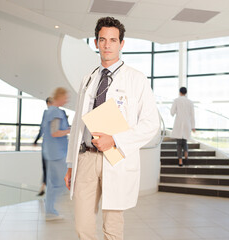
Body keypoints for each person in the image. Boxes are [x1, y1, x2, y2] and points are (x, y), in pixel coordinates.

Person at [64, 17, 160, 240]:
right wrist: (71, 164)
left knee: (112, 228)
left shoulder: (136, 79)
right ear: (96, 43)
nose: (107, 45)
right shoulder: (88, 78)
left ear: (121, 44)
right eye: (102, 39)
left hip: (115, 158)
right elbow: (78, 122)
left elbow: (151, 124)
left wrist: (115, 139)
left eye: (113, 40)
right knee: (82, 226)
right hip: (86, 159)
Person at [43, 87, 70, 221]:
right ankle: (50, 209)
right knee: (61, 183)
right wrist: (70, 130)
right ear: (59, 97)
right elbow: (55, 132)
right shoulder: (55, 112)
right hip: (57, 153)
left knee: (53, 182)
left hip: (51, 152)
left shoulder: (49, 112)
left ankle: (49, 208)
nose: (67, 100)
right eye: (65, 97)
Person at [170, 87, 195, 167]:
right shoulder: (190, 102)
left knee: (179, 144)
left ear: (179, 92)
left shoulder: (176, 100)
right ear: (186, 93)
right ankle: (186, 158)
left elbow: (172, 112)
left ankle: (180, 161)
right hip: (187, 124)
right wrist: (193, 127)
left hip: (179, 124)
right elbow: (192, 116)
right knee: (185, 142)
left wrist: (177, 111)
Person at [34, 97, 53, 196]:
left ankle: (45, 186)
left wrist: (36, 140)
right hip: (53, 146)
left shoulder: (47, 113)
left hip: (48, 145)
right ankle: (45, 186)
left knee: (46, 167)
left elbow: (42, 128)